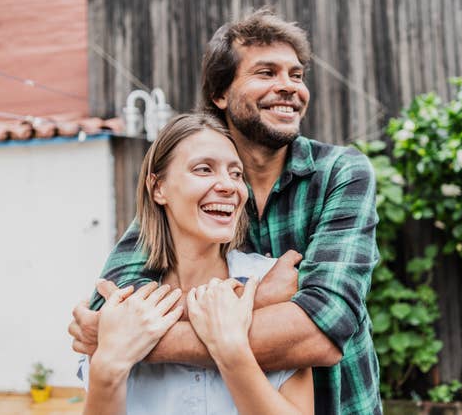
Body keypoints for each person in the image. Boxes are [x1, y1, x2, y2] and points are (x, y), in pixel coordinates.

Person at [70, 9, 382, 414]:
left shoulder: (340, 173)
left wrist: (130, 338)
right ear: (220, 94)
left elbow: (322, 330)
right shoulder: (192, 194)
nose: (288, 87)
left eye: (296, 75)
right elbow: (104, 307)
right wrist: (257, 298)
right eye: (267, 73)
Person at [82, 113, 314, 414]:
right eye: (204, 169)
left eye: (235, 174)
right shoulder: (121, 303)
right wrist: (107, 367)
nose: (229, 186)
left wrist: (231, 352)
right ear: (158, 188)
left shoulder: (275, 283)